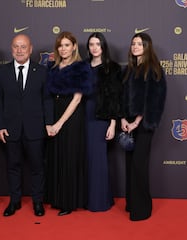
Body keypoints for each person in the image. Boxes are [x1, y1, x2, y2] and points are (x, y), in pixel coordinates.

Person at [0, 34, 53, 217]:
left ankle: (37, 202)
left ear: (30, 49)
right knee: (13, 167)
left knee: (37, 167)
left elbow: (47, 101)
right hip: (11, 129)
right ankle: (15, 201)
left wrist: (48, 123)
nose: (19, 50)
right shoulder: (1, 72)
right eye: (16, 47)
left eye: (23, 47)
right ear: (11, 49)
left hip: (36, 129)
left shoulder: (42, 72)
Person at [120, 32, 166, 221]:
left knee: (139, 165)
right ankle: (131, 204)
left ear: (147, 46)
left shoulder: (154, 70)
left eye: (139, 43)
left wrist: (136, 122)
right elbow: (122, 98)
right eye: (133, 44)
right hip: (128, 124)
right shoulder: (129, 70)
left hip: (144, 125)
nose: (135, 46)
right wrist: (123, 119)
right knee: (130, 165)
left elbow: (153, 101)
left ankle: (142, 210)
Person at [45, 31, 92, 216]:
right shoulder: (53, 67)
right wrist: (49, 122)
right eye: (60, 45)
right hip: (55, 112)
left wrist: (59, 123)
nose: (63, 49)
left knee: (69, 157)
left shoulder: (81, 67)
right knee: (56, 155)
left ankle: (68, 202)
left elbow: (77, 99)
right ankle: (56, 197)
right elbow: (47, 97)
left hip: (71, 117)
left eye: (66, 45)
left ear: (74, 46)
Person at [85, 32, 122, 212]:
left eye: (97, 44)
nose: (94, 48)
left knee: (98, 159)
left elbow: (116, 98)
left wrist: (113, 124)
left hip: (101, 118)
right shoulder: (82, 66)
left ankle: (99, 201)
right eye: (91, 44)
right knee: (84, 159)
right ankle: (84, 199)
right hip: (82, 116)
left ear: (103, 47)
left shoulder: (113, 68)